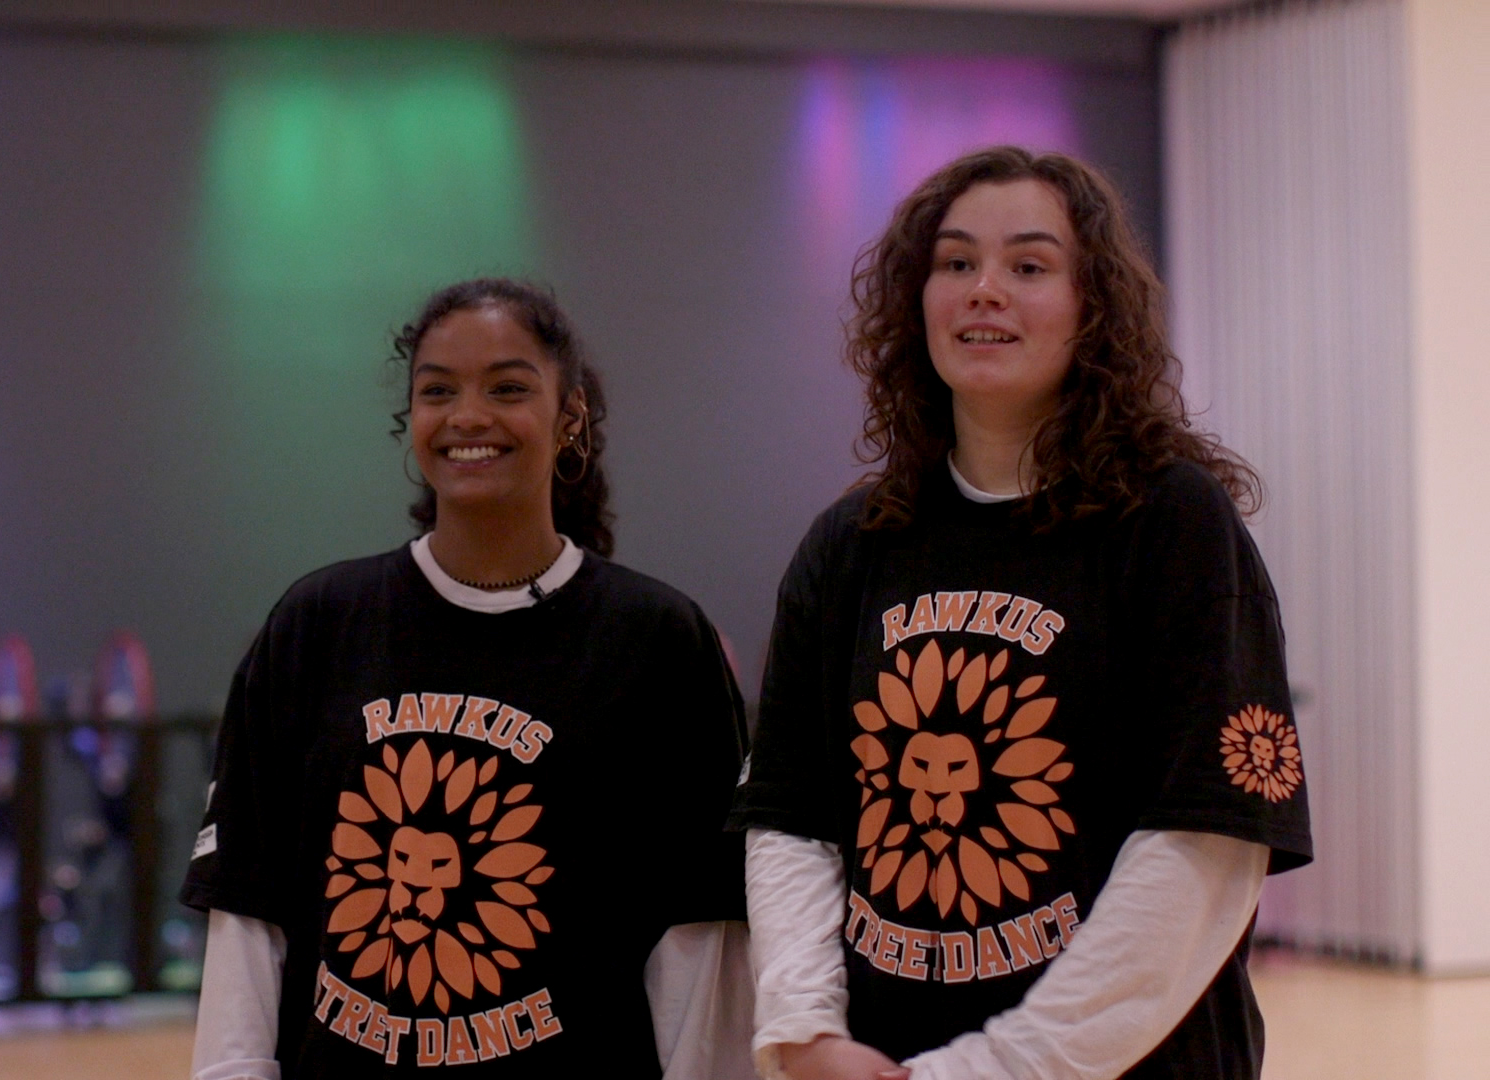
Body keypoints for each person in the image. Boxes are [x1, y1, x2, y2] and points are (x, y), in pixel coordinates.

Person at [730, 147, 1312, 1080]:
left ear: (1094, 308)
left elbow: (1205, 845)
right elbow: (792, 815)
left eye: (1029, 266)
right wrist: (804, 1032)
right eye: (956, 263)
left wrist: (997, 1068)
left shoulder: (1171, 522)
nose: (984, 290)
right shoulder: (850, 542)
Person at [182, 278, 755, 1079]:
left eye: (509, 388)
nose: (468, 417)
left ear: (569, 417)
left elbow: (697, 943)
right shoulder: (316, 623)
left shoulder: (657, 640)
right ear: (409, 421)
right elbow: (249, 912)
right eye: (438, 391)